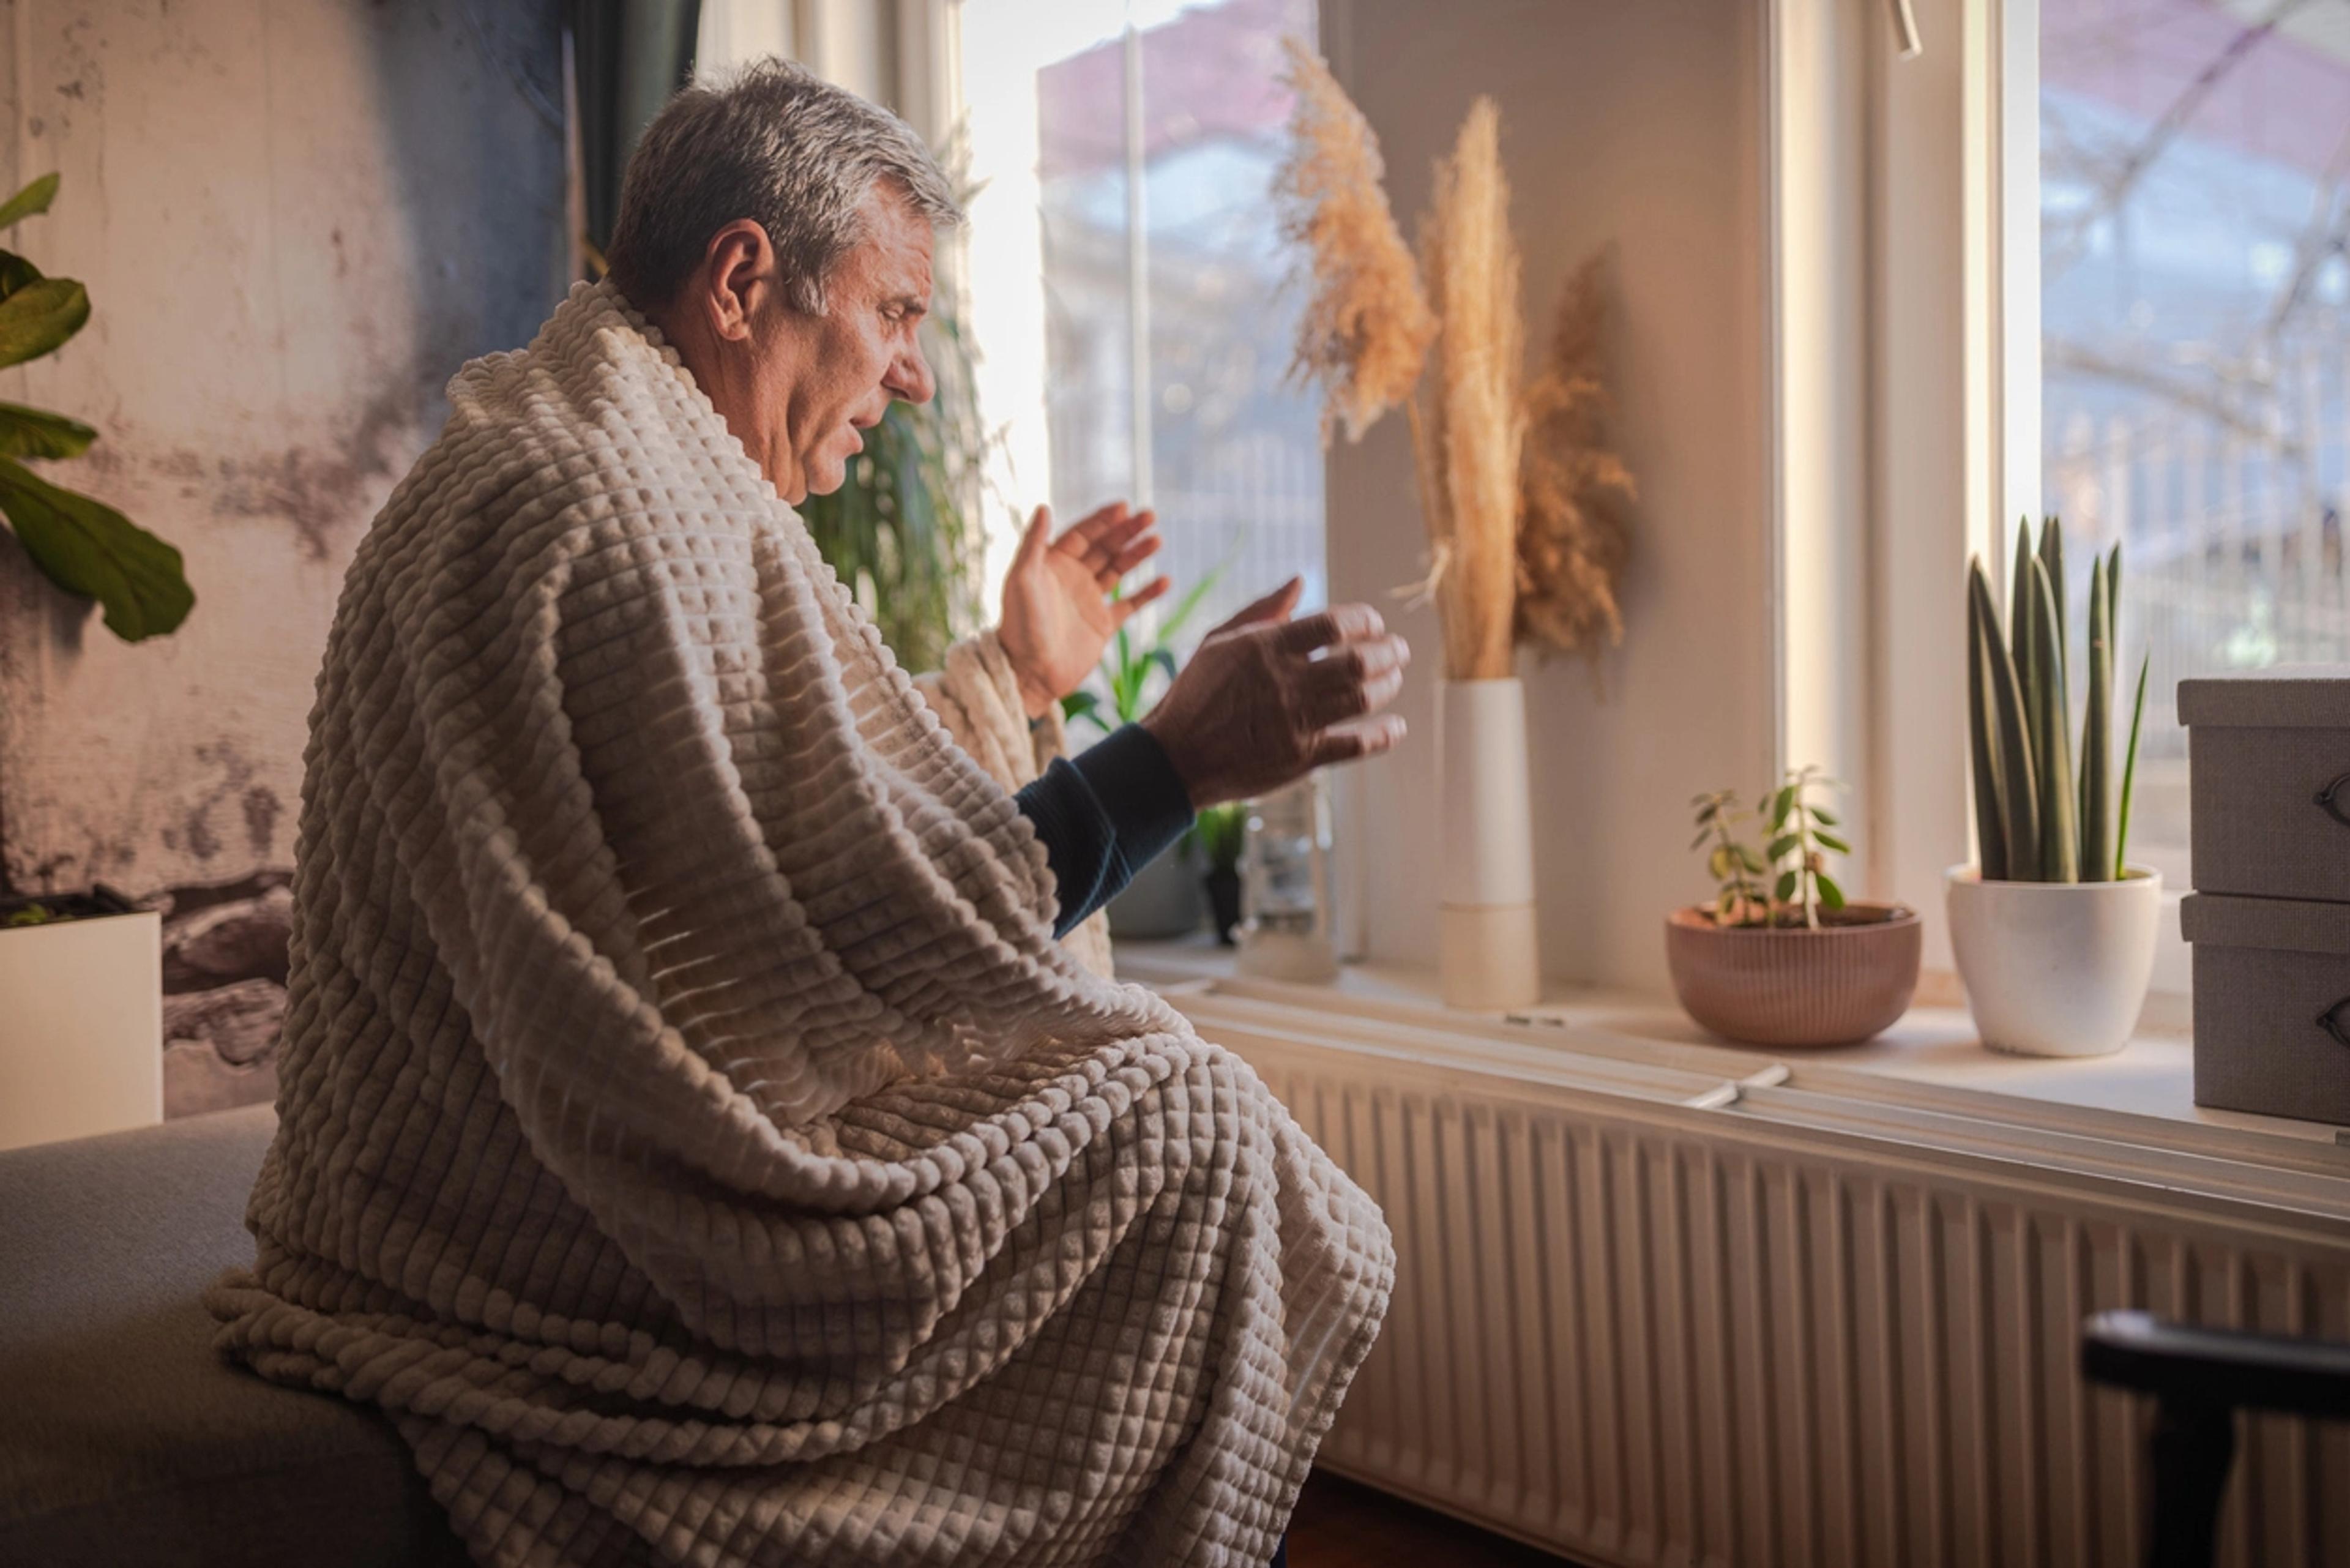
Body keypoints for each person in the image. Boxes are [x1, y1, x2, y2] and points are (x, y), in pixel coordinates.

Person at [209, 59, 1398, 1568]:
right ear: (744, 278)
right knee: (1195, 1122)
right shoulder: (610, 510)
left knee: (1170, 1106)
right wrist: (1171, 763)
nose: (914, 376)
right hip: (521, 1235)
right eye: (896, 314)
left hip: (419, 1182)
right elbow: (859, 923)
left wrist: (1017, 672)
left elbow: (781, 858)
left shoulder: (586, 452)